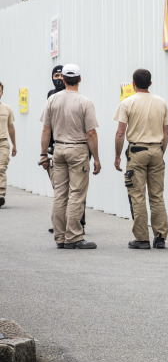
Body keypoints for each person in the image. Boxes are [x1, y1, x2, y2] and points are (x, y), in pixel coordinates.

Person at [40, 63, 101, 249]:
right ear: (80, 79)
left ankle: (60, 236)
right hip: (78, 150)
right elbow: (91, 133)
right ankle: (73, 236)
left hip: (58, 149)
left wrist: (43, 154)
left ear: (63, 79)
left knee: (60, 194)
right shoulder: (85, 102)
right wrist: (97, 158)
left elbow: (45, 129)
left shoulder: (52, 100)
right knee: (76, 193)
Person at [114, 68, 168, 250]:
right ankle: (160, 237)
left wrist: (117, 156)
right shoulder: (161, 103)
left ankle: (142, 238)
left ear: (133, 84)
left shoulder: (127, 103)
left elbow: (121, 132)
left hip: (137, 152)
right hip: (156, 151)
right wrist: (161, 151)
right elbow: (166, 132)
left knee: (137, 196)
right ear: (150, 83)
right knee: (157, 196)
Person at [44, 65, 87, 234]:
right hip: (63, 146)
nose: (57, 78)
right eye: (55, 74)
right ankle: (66, 229)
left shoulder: (77, 99)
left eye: (60, 75)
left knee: (71, 190)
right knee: (66, 190)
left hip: (64, 147)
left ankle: (75, 224)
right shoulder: (52, 96)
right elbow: (48, 127)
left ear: (64, 78)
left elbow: (45, 127)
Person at [0, 81, 17, 208]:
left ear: (2, 93)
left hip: (3, 143)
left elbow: (11, 127)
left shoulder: (7, 109)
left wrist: (14, 145)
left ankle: (0, 194)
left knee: (1, 168)